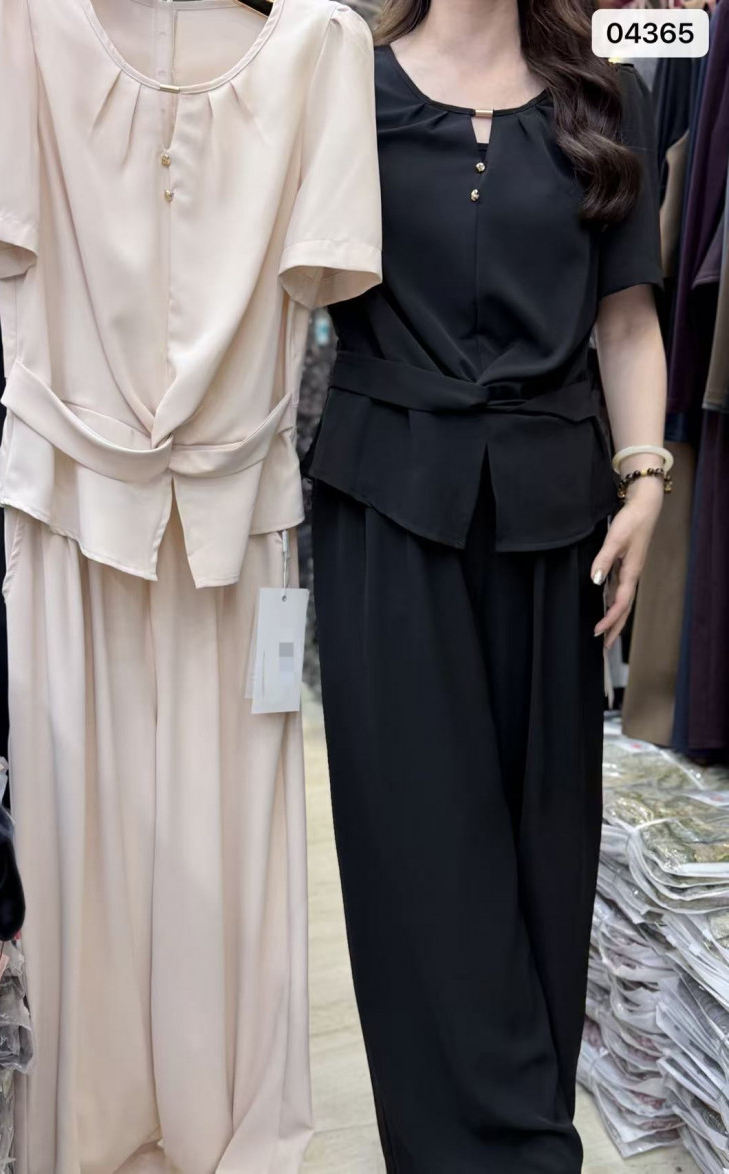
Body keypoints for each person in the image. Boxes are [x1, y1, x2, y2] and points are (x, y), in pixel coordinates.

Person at [304, 0, 668, 1169]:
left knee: (541, 847)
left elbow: (624, 320)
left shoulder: (604, 96)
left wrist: (644, 480)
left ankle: (523, 1127)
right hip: (385, 509)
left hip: (554, 525)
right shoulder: (338, 89)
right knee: (415, 844)